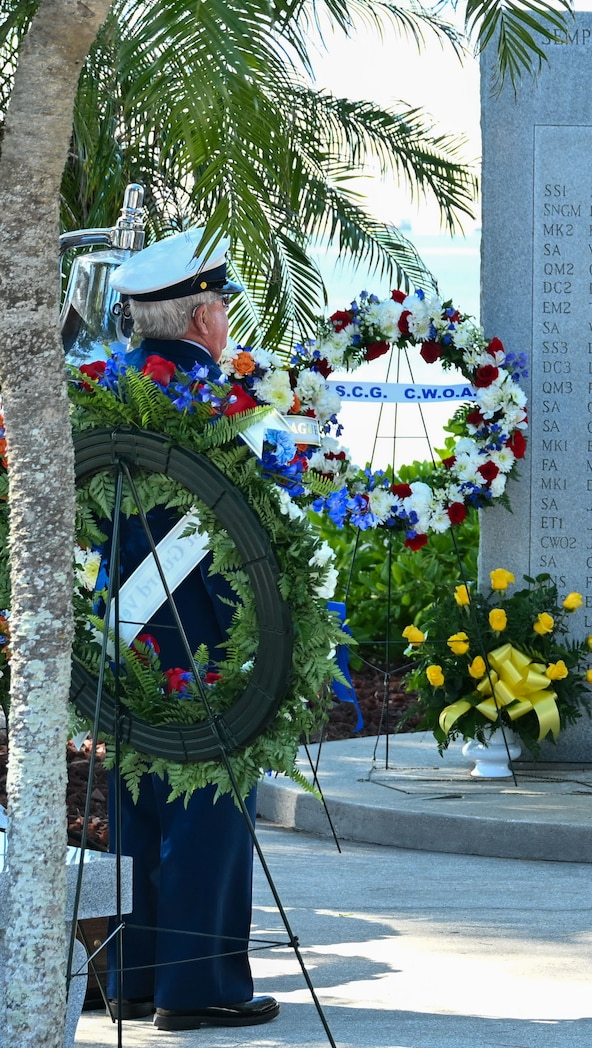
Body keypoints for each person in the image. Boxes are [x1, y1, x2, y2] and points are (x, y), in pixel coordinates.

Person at [101, 229, 280, 1031]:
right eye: (222, 308)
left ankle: (137, 980)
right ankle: (196, 988)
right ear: (204, 316)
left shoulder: (107, 381)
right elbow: (256, 521)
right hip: (204, 626)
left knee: (140, 796)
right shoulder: (213, 396)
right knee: (207, 801)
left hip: (121, 626)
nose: (226, 323)